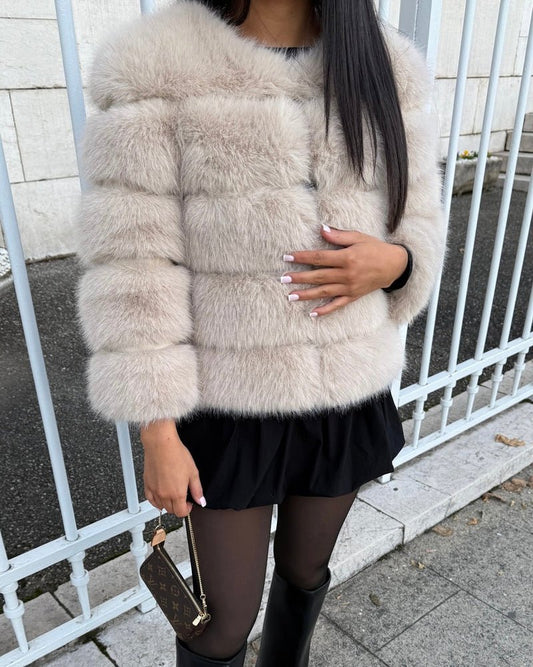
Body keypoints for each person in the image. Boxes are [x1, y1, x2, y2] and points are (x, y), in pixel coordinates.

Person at [75, 0, 447, 665]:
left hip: (344, 391)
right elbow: (133, 265)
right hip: (227, 402)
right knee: (222, 624)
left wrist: (396, 264)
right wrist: (157, 429)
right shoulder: (152, 65)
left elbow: (419, 212)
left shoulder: (384, 65)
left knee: (306, 572)